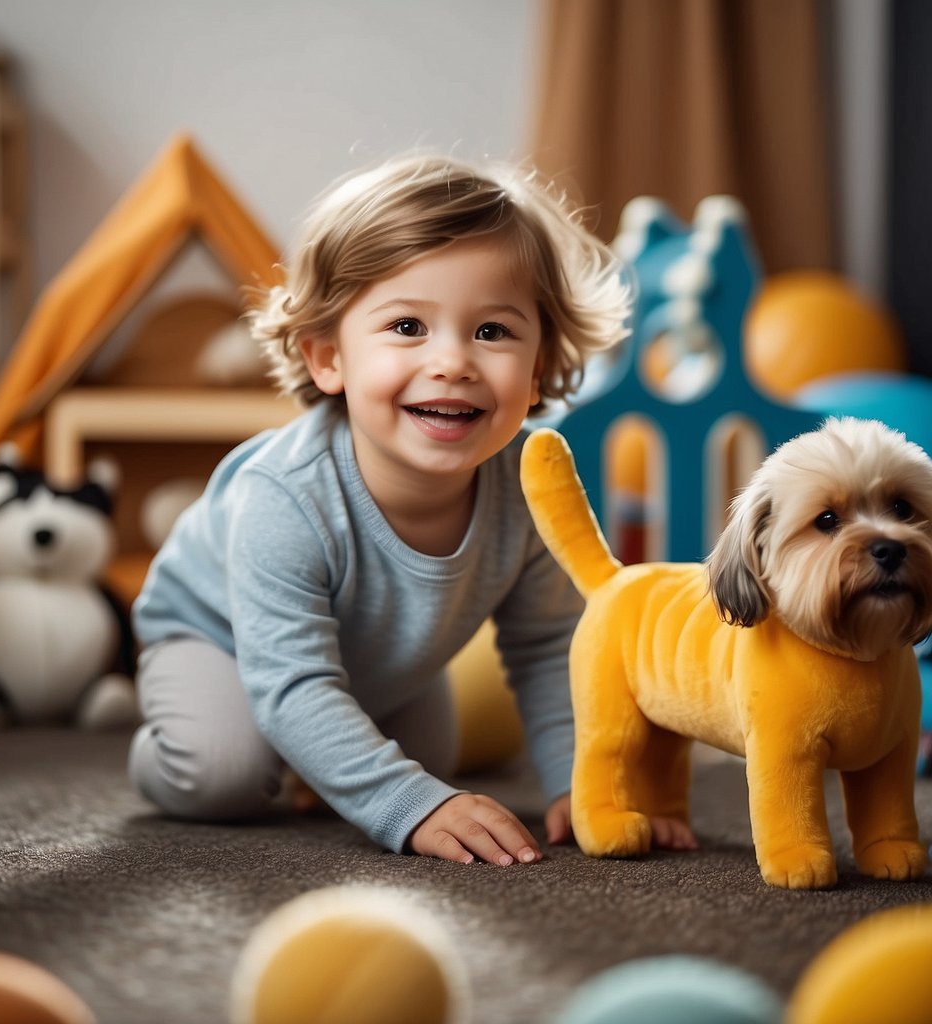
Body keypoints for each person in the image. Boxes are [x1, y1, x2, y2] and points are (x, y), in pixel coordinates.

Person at [128, 153, 631, 866]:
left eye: (492, 331)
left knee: (430, 758)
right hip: (222, 642)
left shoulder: (531, 486)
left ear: (542, 363)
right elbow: (292, 679)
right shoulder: (286, 494)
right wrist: (408, 803)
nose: (453, 361)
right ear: (329, 358)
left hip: (387, 664)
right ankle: (164, 740)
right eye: (407, 327)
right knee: (225, 775)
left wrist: (579, 786)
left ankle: (313, 754)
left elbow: (549, 646)